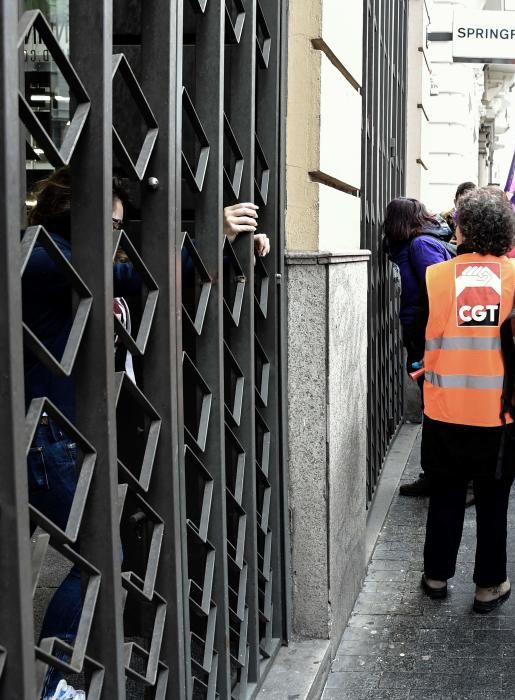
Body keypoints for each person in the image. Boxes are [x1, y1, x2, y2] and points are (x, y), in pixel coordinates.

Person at [23, 169, 268, 700]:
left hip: (70, 434)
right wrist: (211, 234)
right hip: (47, 436)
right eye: (108, 224)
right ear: (72, 218)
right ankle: (53, 683)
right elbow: (142, 275)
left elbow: (152, 281)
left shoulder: (89, 265)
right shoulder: (46, 258)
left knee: (96, 550)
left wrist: (228, 248)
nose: (116, 235)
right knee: (100, 552)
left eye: (119, 225)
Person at [419, 186, 515, 613]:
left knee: (445, 493)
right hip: (499, 412)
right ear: (505, 230)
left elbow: (415, 330)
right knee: (492, 500)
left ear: (463, 230)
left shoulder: (437, 276)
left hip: (443, 407)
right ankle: (489, 585)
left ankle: (435, 576)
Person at [383, 197, 454, 497]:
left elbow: (440, 289)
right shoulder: (412, 245)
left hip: (428, 338)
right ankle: (435, 472)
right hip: (422, 334)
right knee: (431, 405)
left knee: (435, 405)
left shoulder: (419, 246)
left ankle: (439, 475)